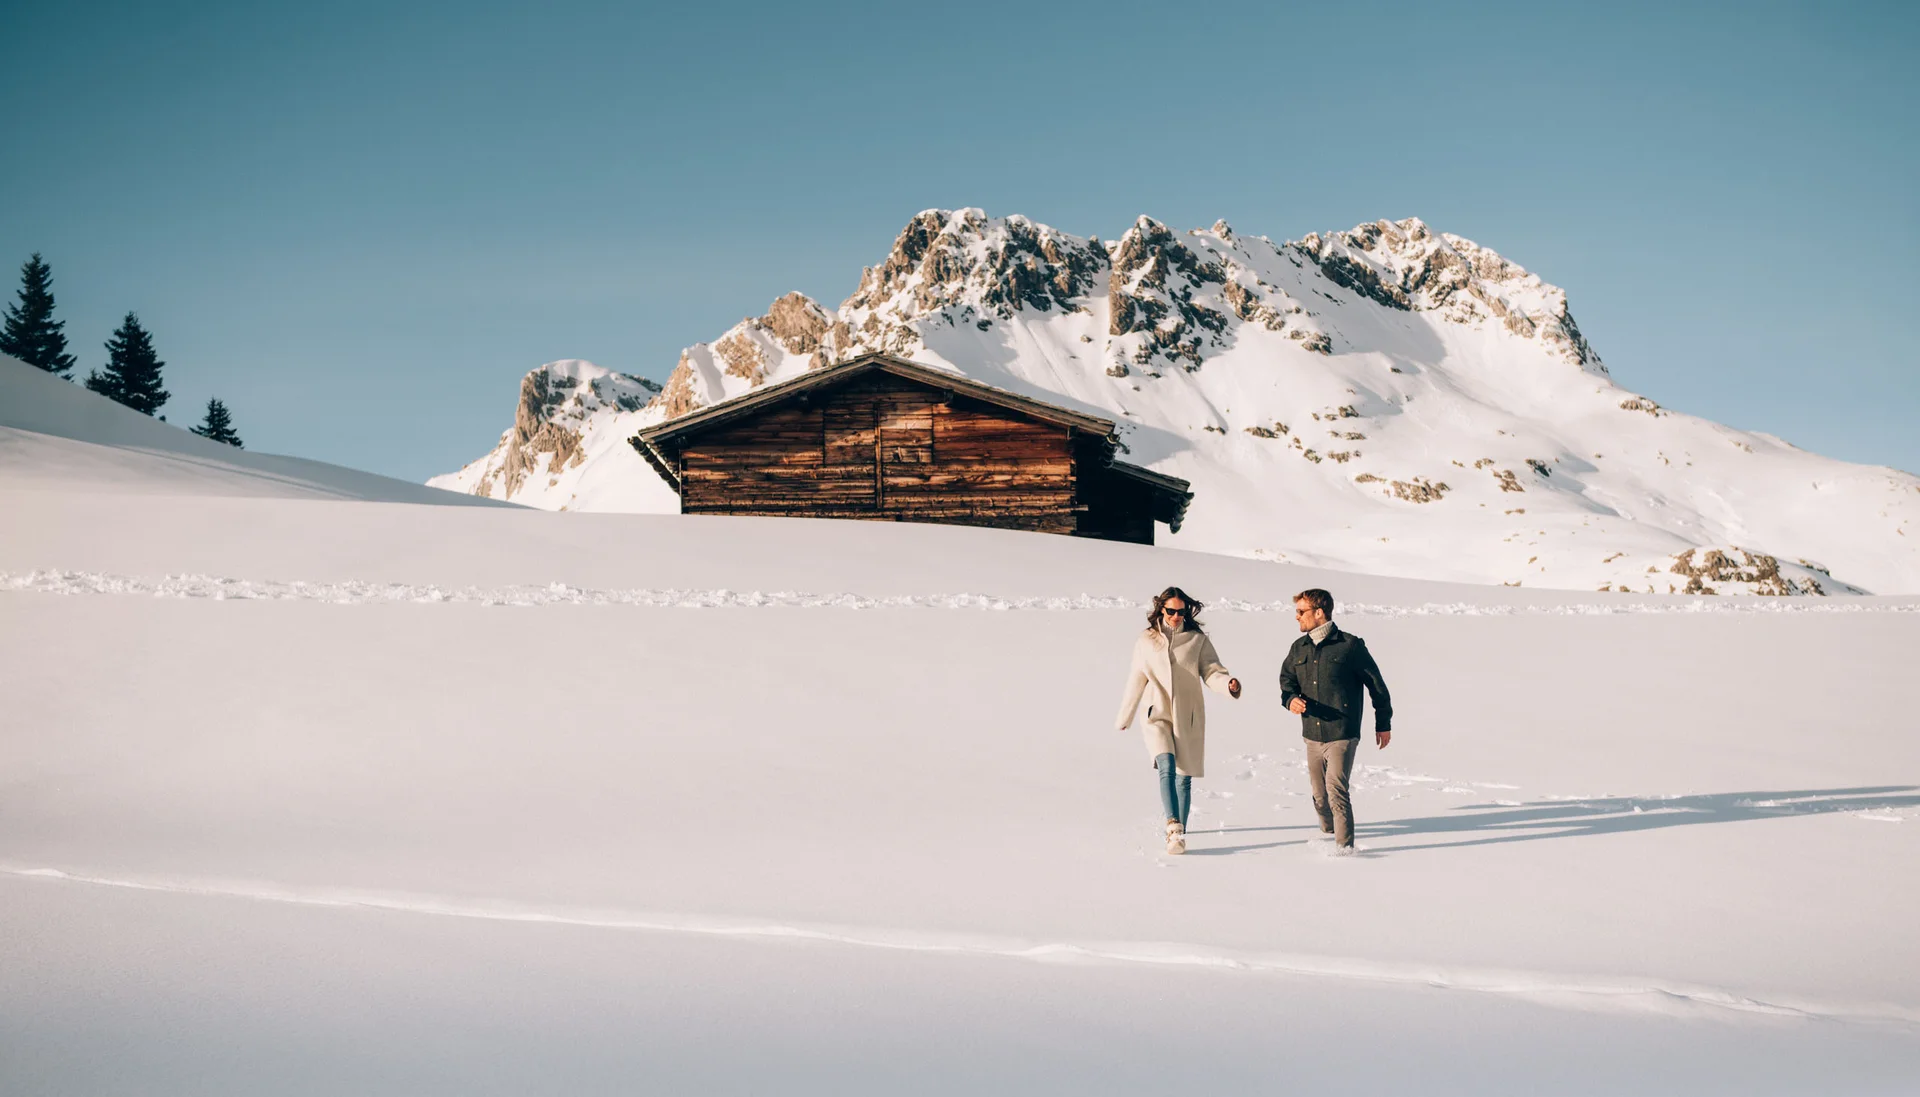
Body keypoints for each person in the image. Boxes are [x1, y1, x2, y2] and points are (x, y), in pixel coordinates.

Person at [1116, 587, 1241, 855]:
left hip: (1188, 716)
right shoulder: (1146, 640)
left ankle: (1179, 834)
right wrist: (1125, 716)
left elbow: (1211, 671)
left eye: (1180, 612)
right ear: (1161, 610)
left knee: (1184, 778)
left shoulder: (1196, 640)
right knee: (1167, 766)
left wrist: (1227, 684)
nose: (1175, 616)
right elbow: (1136, 677)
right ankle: (1173, 826)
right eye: (1170, 611)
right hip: (1156, 714)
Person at [1278, 588, 1392, 853]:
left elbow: (1377, 686)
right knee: (1320, 796)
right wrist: (1290, 699)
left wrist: (1383, 723)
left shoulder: (1350, 646)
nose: (1297, 617)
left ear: (1319, 613)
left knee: (1336, 790)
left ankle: (1344, 849)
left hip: (1343, 732)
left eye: (1301, 611)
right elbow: (1286, 680)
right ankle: (1329, 829)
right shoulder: (1299, 647)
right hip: (1312, 734)